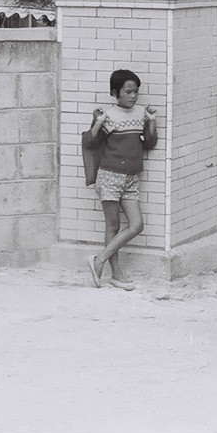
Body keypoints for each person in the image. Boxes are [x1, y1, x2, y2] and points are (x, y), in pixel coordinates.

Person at [86, 69, 157, 291]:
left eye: (136, 91)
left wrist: (152, 122)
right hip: (109, 176)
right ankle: (116, 274)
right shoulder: (108, 115)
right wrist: (98, 123)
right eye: (128, 91)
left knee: (136, 225)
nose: (133, 96)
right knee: (113, 225)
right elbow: (89, 144)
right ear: (115, 92)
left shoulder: (141, 114)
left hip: (131, 178)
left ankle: (99, 259)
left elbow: (150, 143)